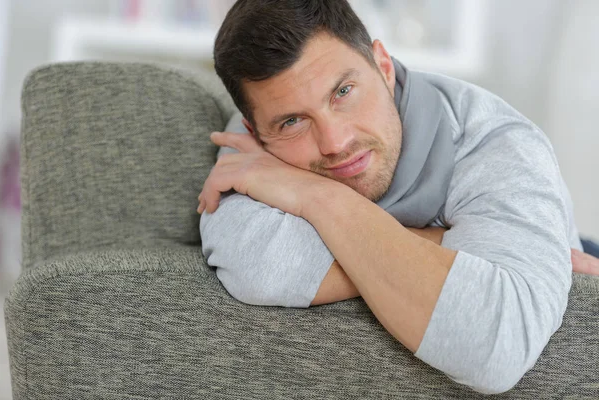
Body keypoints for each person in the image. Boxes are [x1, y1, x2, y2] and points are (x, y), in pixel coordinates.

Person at [197, 0, 599, 394]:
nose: (336, 142)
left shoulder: (498, 143)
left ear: (384, 67)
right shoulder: (254, 148)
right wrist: (448, 242)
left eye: (343, 91)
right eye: (293, 121)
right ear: (255, 130)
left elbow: (495, 346)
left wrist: (314, 195)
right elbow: (259, 265)